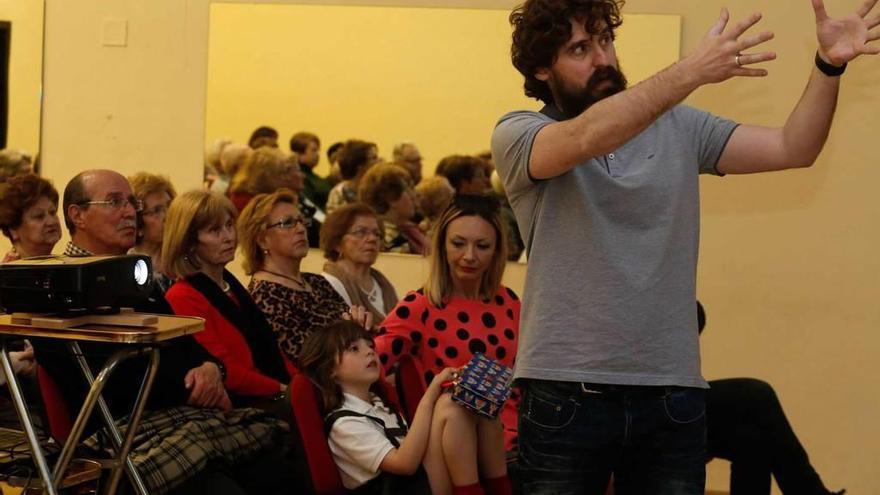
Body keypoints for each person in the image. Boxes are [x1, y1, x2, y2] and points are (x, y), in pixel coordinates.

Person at [490, 0, 878, 493]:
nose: (604, 59)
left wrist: (829, 66)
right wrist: (692, 71)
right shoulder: (520, 133)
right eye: (580, 49)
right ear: (543, 69)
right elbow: (584, 136)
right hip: (567, 393)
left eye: (605, 41)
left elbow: (793, 148)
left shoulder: (680, 127)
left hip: (670, 394)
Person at [30, 169, 291, 495]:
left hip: (176, 421)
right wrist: (193, 384)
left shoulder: (134, 277)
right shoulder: (58, 285)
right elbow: (112, 382)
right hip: (123, 436)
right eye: (114, 202)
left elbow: (187, 345)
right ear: (77, 215)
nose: (129, 212)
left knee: (277, 461)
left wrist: (212, 369)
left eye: (130, 202)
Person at [374, 195, 521, 452]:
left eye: (483, 246)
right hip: (462, 446)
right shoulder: (421, 305)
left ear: (497, 250)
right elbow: (369, 362)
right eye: (458, 244)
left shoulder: (509, 302)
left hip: (522, 436)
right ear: (442, 245)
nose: (469, 256)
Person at [299, 320, 512, 495]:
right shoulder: (343, 423)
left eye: (370, 346)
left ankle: (501, 489)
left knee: (475, 402)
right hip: (399, 487)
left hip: (418, 481)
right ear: (329, 370)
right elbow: (404, 464)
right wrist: (431, 395)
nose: (369, 353)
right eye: (354, 349)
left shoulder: (379, 403)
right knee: (450, 405)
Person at [164, 191, 295, 423]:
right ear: (189, 243)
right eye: (215, 231)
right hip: (239, 406)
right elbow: (226, 370)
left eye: (229, 225)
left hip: (269, 392)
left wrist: (300, 384)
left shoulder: (232, 286)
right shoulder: (183, 296)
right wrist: (284, 388)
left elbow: (271, 349)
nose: (228, 237)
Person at [697, 302, 845, 495]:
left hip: (666, 397)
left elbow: (694, 314)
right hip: (650, 403)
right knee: (755, 395)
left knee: (752, 438)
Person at [236, 189, 350, 363]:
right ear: (261, 239)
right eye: (288, 223)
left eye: (301, 221)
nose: (301, 229)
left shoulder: (317, 281)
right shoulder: (263, 297)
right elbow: (307, 359)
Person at [320, 203, 399, 322]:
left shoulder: (382, 283)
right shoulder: (329, 285)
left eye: (377, 234)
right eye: (360, 232)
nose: (372, 239)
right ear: (337, 243)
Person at [358, 163, 428, 255]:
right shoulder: (388, 240)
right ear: (391, 198)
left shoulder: (410, 231)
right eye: (409, 189)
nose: (415, 194)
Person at [129, 172, 177, 292]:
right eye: (156, 211)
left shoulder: (183, 261)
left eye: (170, 206)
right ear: (138, 224)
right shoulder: (129, 268)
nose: (168, 216)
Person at [0, 173, 62, 262]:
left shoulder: (64, 268)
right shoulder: (8, 274)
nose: (51, 222)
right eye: (39, 216)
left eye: (52, 213)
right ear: (13, 229)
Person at [227, 146, 299, 212]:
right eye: (282, 173)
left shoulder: (267, 195)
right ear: (267, 176)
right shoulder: (245, 201)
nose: (286, 178)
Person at [326, 139, 380, 214]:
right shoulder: (338, 194)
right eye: (374, 158)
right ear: (360, 165)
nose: (379, 162)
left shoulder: (380, 189)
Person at [290, 131, 332, 210]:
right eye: (314, 150)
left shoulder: (316, 177)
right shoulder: (298, 178)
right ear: (299, 154)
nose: (317, 154)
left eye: (318, 150)